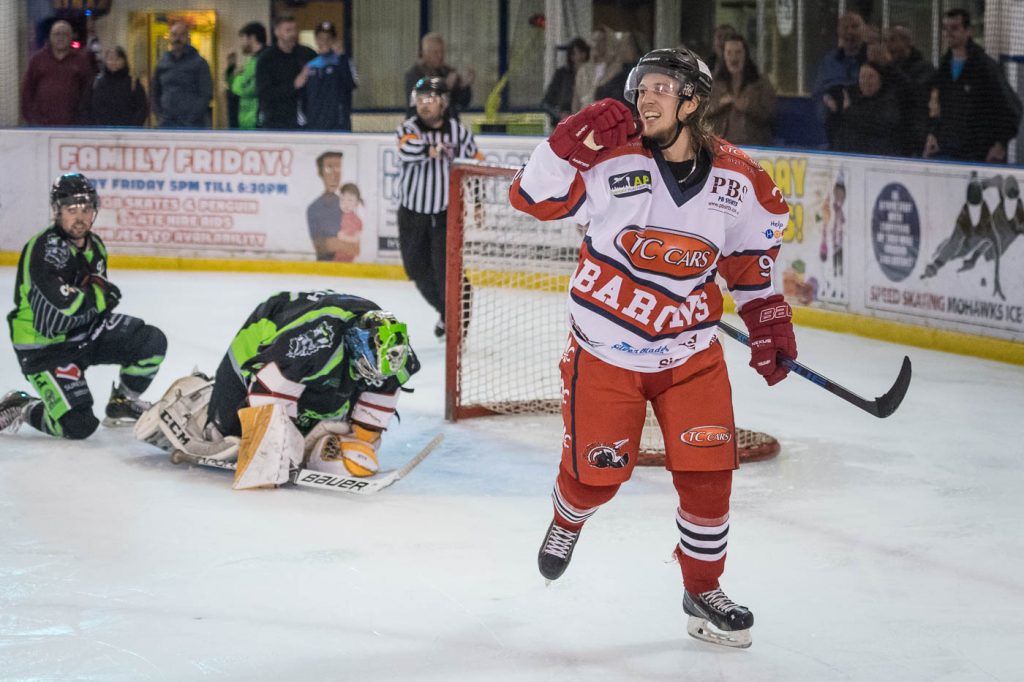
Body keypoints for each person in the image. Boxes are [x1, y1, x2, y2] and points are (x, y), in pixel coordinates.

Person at [509, 48, 794, 649]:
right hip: (606, 353)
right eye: (642, 88)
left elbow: (748, 260)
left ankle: (702, 588)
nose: (646, 98)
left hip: (690, 357)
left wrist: (768, 318)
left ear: (693, 101)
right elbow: (531, 200)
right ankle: (568, 517)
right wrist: (564, 146)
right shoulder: (610, 161)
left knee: (709, 477)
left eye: (663, 87)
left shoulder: (737, 179)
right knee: (596, 481)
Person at [133, 291, 419, 488]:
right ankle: (200, 401)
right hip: (266, 336)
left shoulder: (392, 351)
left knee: (330, 432)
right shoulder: (313, 342)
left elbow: (379, 399)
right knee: (225, 432)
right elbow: (269, 391)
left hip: (317, 362)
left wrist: (360, 440)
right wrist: (275, 454)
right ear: (355, 345)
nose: (377, 376)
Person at [0, 174, 167, 439]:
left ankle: (122, 403)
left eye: (86, 209)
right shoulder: (43, 249)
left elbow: (94, 300)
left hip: (85, 332)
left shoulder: (95, 245)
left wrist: (95, 298)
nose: (80, 217)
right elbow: (66, 304)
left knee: (150, 341)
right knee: (78, 425)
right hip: (44, 347)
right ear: (57, 211)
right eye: (71, 209)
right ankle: (23, 407)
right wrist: (98, 297)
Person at [396, 76, 484, 339]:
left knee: (447, 271)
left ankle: (458, 321)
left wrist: (478, 202)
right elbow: (405, 150)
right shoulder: (408, 128)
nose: (424, 104)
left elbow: (475, 167)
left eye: (430, 99)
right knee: (415, 269)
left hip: (446, 214)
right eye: (420, 99)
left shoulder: (460, 133)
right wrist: (429, 149)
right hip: (412, 212)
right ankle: (449, 313)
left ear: (443, 103)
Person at [924, 8, 1021, 163]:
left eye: (954, 28)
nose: (948, 33)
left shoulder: (985, 67)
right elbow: (940, 108)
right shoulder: (943, 67)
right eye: (945, 28)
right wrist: (934, 133)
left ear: (969, 31)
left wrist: (1000, 144)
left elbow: (1012, 108)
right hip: (950, 152)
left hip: (980, 155)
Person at [19, 20, 95, 126]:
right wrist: (32, 118)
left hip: (73, 125)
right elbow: (27, 91)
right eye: (57, 34)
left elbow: (88, 91)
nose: (60, 37)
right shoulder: (37, 59)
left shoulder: (81, 60)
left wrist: (83, 119)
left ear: (71, 36)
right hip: (41, 126)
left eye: (65, 34)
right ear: (50, 36)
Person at [707, 34, 776, 147]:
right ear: (723, 56)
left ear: (746, 55)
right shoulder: (714, 82)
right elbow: (699, 111)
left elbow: (771, 114)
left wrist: (748, 107)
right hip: (720, 146)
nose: (734, 57)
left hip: (753, 146)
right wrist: (719, 104)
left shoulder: (760, 82)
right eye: (729, 53)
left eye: (738, 52)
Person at [812, 12, 866, 147]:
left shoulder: (872, 58)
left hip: (864, 130)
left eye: (854, 27)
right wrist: (827, 109)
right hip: (834, 129)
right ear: (838, 32)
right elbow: (818, 92)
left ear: (864, 30)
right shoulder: (829, 60)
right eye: (845, 27)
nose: (850, 32)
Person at [257, 14, 317, 130]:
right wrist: (294, 85)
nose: (293, 34)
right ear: (277, 32)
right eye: (288, 30)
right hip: (275, 122)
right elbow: (264, 93)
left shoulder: (307, 53)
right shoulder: (266, 59)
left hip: (304, 122)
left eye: (294, 29)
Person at [885, 25, 936, 158]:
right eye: (887, 41)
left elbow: (915, 93)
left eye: (893, 40)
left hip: (914, 136)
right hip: (891, 136)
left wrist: (891, 68)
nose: (889, 46)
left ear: (908, 42)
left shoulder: (925, 67)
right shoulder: (887, 69)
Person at [298, 21, 358, 131]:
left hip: (338, 125)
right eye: (321, 38)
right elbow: (303, 96)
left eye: (328, 38)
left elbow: (351, 84)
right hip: (314, 125)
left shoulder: (344, 61)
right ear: (316, 40)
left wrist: (341, 58)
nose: (324, 42)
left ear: (334, 40)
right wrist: (304, 122)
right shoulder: (310, 65)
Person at [151, 21, 213, 128]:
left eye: (182, 34)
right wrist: (159, 115)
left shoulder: (199, 63)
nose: (177, 38)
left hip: (194, 124)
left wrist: (192, 117)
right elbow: (154, 91)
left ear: (188, 38)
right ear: (169, 38)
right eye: (174, 34)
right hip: (166, 123)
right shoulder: (162, 63)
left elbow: (206, 94)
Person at [830, 61, 901, 156]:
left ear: (881, 79)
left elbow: (878, 124)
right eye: (862, 77)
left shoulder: (889, 102)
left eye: (871, 77)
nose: (866, 81)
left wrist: (849, 111)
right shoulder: (854, 100)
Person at [404, 33, 474, 117]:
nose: (440, 56)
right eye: (436, 52)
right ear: (425, 53)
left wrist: (464, 86)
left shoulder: (447, 72)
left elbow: (463, 102)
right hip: (422, 125)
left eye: (442, 52)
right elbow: (419, 102)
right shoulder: (414, 74)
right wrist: (445, 85)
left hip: (447, 125)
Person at [88, 46, 149, 127]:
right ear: (105, 61)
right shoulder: (96, 83)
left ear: (124, 61)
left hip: (127, 133)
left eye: (117, 59)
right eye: (110, 59)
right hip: (101, 132)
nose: (114, 62)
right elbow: (87, 107)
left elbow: (142, 108)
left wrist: (134, 127)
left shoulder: (133, 83)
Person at [307, 150, 347, 261]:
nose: (335, 174)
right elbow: (320, 247)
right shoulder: (314, 209)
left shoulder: (347, 206)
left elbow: (355, 248)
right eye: (329, 168)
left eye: (338, 168)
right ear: (321, 173)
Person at [542, 37, 590, 128]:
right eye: (576, 53)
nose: (581, 56)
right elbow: (546, 103)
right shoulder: (562, 75)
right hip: (564, 125)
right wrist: (560, 115)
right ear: (571, 56)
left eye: (583, 53)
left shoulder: (592, 75)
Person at [231, 21, 268, 130]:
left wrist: (237, 78)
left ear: (251, 38)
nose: (241, 44)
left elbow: (245, 89)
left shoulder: (263, 60)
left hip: (257, 119)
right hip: (247, 120)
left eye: (243, 39)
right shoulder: (251, 60)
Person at [335, 183, 364, 262]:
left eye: (350, 200)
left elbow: (356, 239)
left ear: (357, 203)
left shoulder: (357, 221)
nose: (345, 203)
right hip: (336, 255)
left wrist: (344, 237)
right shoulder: (337, 216)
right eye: (342, 199)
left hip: (349, 256)